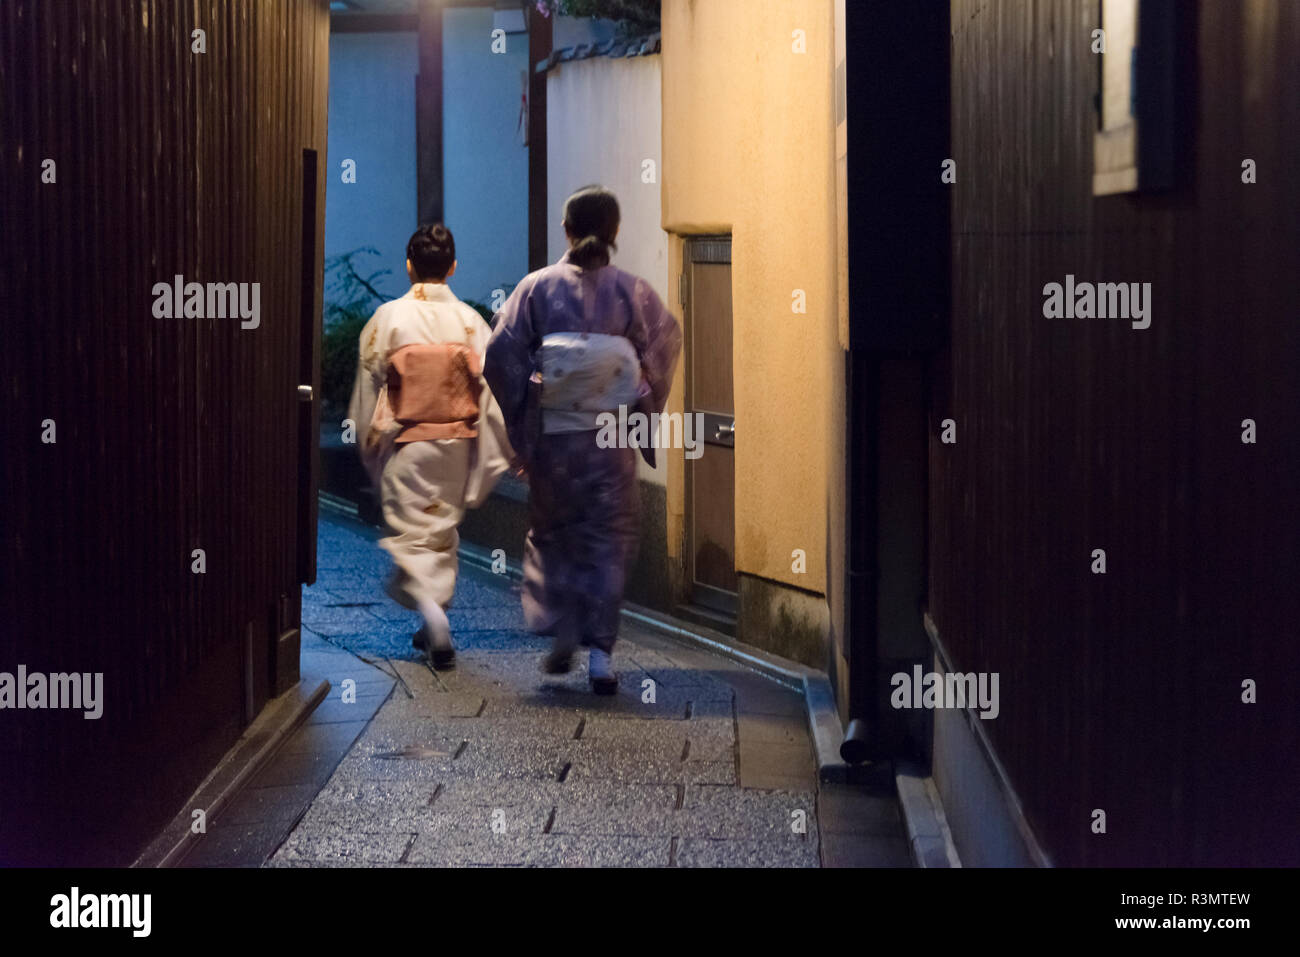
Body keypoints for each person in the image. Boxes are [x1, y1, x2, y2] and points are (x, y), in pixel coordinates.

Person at [483, 186, 682, 694]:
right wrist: (635, 385)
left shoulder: (536, 289)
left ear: (567, 230)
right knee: (607, 541)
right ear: (614, 232)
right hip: (610, 443)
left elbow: (500, 355)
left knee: (554, 536)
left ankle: (564, 629)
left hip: (555, 442)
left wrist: (532, 397)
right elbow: (664, 341)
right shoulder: (632, 292)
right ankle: (601, 659)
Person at [348, 224, 512, 669]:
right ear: (453, 267)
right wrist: (494, 450)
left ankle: (436, 620)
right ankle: (431, 619)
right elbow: (490, 393)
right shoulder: (470, 323)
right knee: (439, 533)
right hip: (456, 444)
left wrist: (368, 439)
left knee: (411, 535)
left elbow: (368, 386)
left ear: (408, 266)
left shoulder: (390, 318)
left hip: (409, 442)